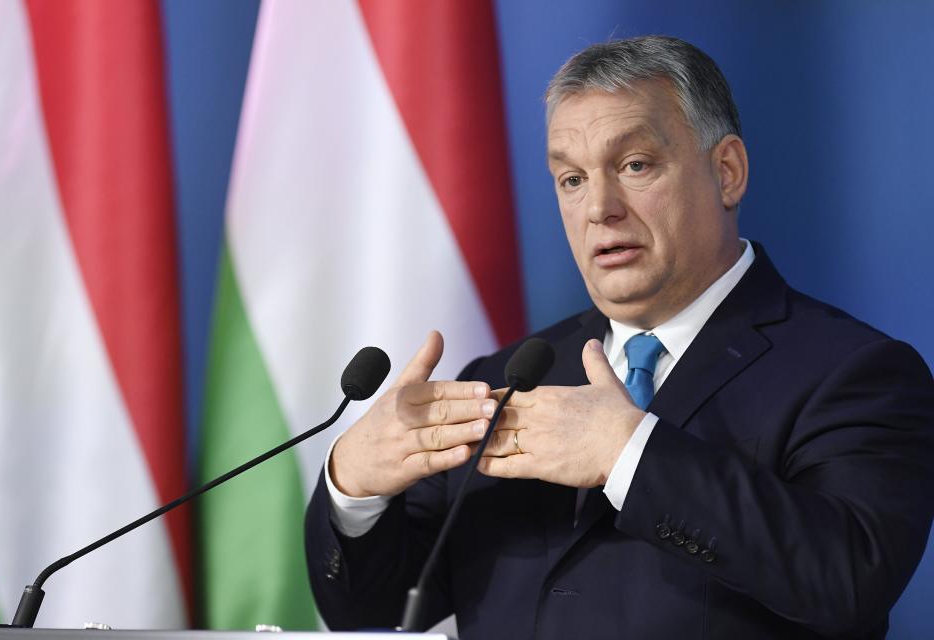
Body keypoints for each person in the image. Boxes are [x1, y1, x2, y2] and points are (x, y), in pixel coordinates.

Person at [305, 36, 934, 639]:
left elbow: (847, 579)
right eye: (571, 179)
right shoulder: (505, 378)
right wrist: (354, 488)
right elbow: (385, 614)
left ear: (728, 172)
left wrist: (628, 454)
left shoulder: (856, 373)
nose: (599, 207)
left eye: (635, 165)